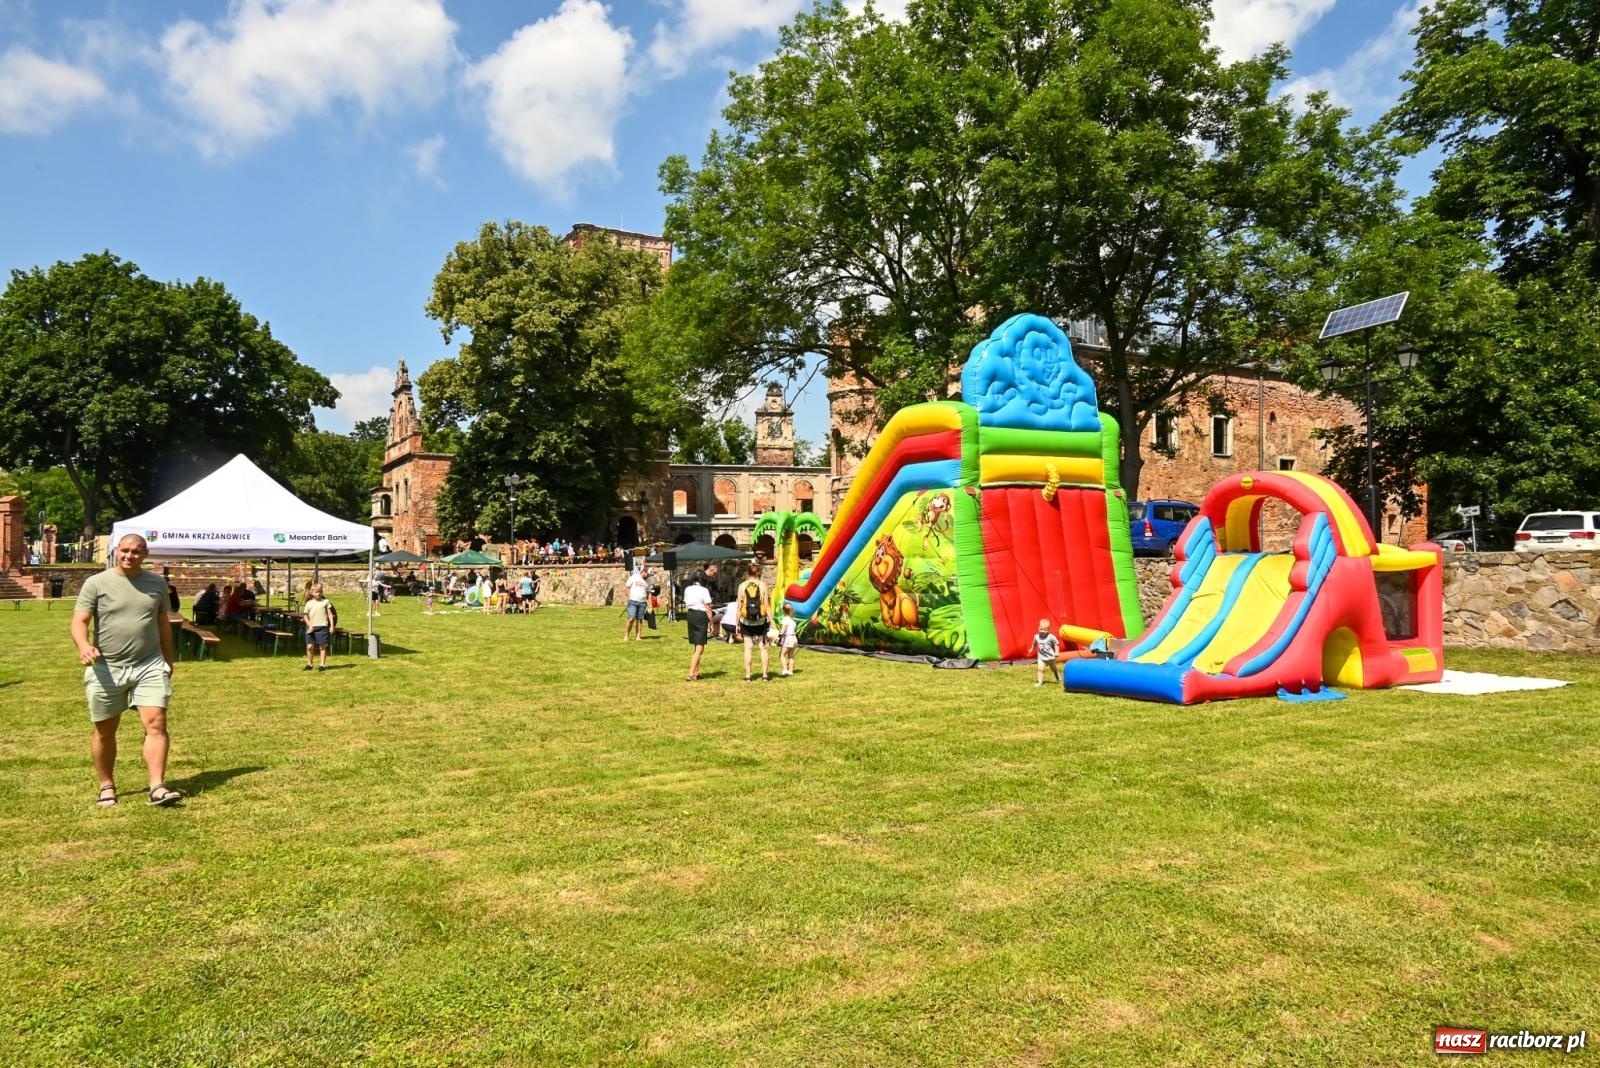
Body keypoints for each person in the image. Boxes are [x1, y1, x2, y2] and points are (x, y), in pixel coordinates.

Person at [70, 533, 181, 808]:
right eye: (125, 550)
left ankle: (157, 786)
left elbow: (163, 623)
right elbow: (79, 620)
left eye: (136, 551)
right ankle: (106, 785)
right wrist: (83, 645)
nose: (129, 556)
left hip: (149, 663)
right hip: (106, 666)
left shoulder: (156, 584)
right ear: (116, 551)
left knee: (156, 722)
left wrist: (169, 659)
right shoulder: (96, 583)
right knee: (104, 730)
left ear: (145, 554)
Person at [738, 562, 772, 682]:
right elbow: (767, 605)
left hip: (746, 621)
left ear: (748, 572)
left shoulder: (742, 586)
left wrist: (736, 623)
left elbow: (739, 606)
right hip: (760, 620)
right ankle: (764, 675)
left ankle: (748, 675)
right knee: (763, 647)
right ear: (758, 573)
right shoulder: (763, 585)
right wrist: (771, 621)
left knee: (748, 648)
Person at [682, 569, 715, 681]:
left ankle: (697, 672)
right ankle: (691, 673)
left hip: (690, 614)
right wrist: (712, 623)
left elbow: (687, 604)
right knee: (700, 646)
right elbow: (708, 608)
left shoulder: (687, 589)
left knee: (696, 644)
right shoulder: (704, 590)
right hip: (700, 615)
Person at [302, 583, 338, 672]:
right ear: (312, 593)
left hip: (323, 627)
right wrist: (309, 625)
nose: (319, 593)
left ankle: (322, 664)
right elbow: (305, 616)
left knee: (323, 646)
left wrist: (332, 626)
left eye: (320, 592)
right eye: (317, 592)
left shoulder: (325, 602)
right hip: (311, 628)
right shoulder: (309, 603)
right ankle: (309, 664)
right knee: (310, 646)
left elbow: (330, 614)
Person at [1028, 618, 1061, 687]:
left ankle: (1058, 677)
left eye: (1045, 630)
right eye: (1041, 629)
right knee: (1040, 669)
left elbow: (1056, 644)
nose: (1042, 631)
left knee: (1054, 669)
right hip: (1041, 658)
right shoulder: (1036, 636)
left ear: (1049, 630)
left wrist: (1057, 652)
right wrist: (1031, 648)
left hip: (1051, 657)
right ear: (1038, 628)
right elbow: (1034, 643)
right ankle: (1040, 683)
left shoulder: (1051, 637)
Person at [624, 565, 651, 641]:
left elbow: (649, 593)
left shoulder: (648, 581)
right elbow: (627, 587)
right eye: (647, 574)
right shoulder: (634, 577)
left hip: (643, 602)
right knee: (631, 618)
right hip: (633, 601)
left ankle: (638, 636)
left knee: (640, 620)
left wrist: (650, 602)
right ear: (643, 571)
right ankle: (626, 635)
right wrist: (629, 597)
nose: (648, 575)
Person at [777, 602, 800, 676]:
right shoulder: (792, 621)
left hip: (788, 638)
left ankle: (785, 670)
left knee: (782, 655)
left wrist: (779, 636)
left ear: (783, 611)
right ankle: (790, 671)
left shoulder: (785, 620)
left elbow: (783, 630)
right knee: (791, 656)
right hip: (794, 638)